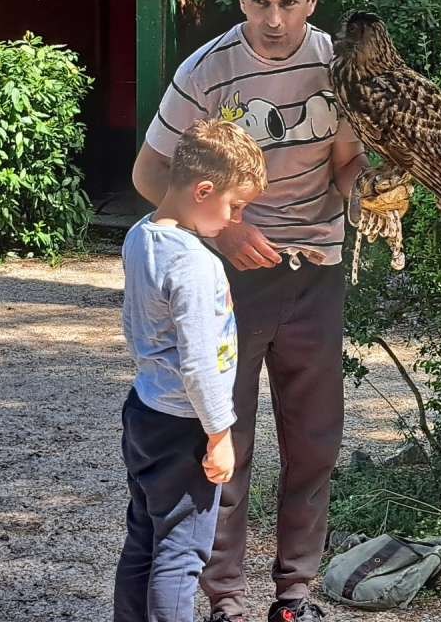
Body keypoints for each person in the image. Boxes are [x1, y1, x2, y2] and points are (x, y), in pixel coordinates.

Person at [131, 0, 371, 622]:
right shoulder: (209, 70)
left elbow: (347, 166)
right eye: (261, 2)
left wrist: (380, 185)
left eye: (290, 2)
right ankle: (226, 600)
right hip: (231, 280)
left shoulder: (338, 66)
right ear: (241, 0)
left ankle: (295, 597)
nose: (275, 18)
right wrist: (223, 228)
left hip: (316, 274)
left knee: (315, 443)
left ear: (312, 1)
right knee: (223, 443)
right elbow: (150, 174)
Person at [114, 119, 268, 622]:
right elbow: (200, 363)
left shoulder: (141, 235)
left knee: (145, 537)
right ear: (203, 190)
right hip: (186, 426)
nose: (236, 219)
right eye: (234, 206)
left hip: (145, 411)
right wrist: (220, 434)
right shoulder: (197, 266)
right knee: (182, 554)